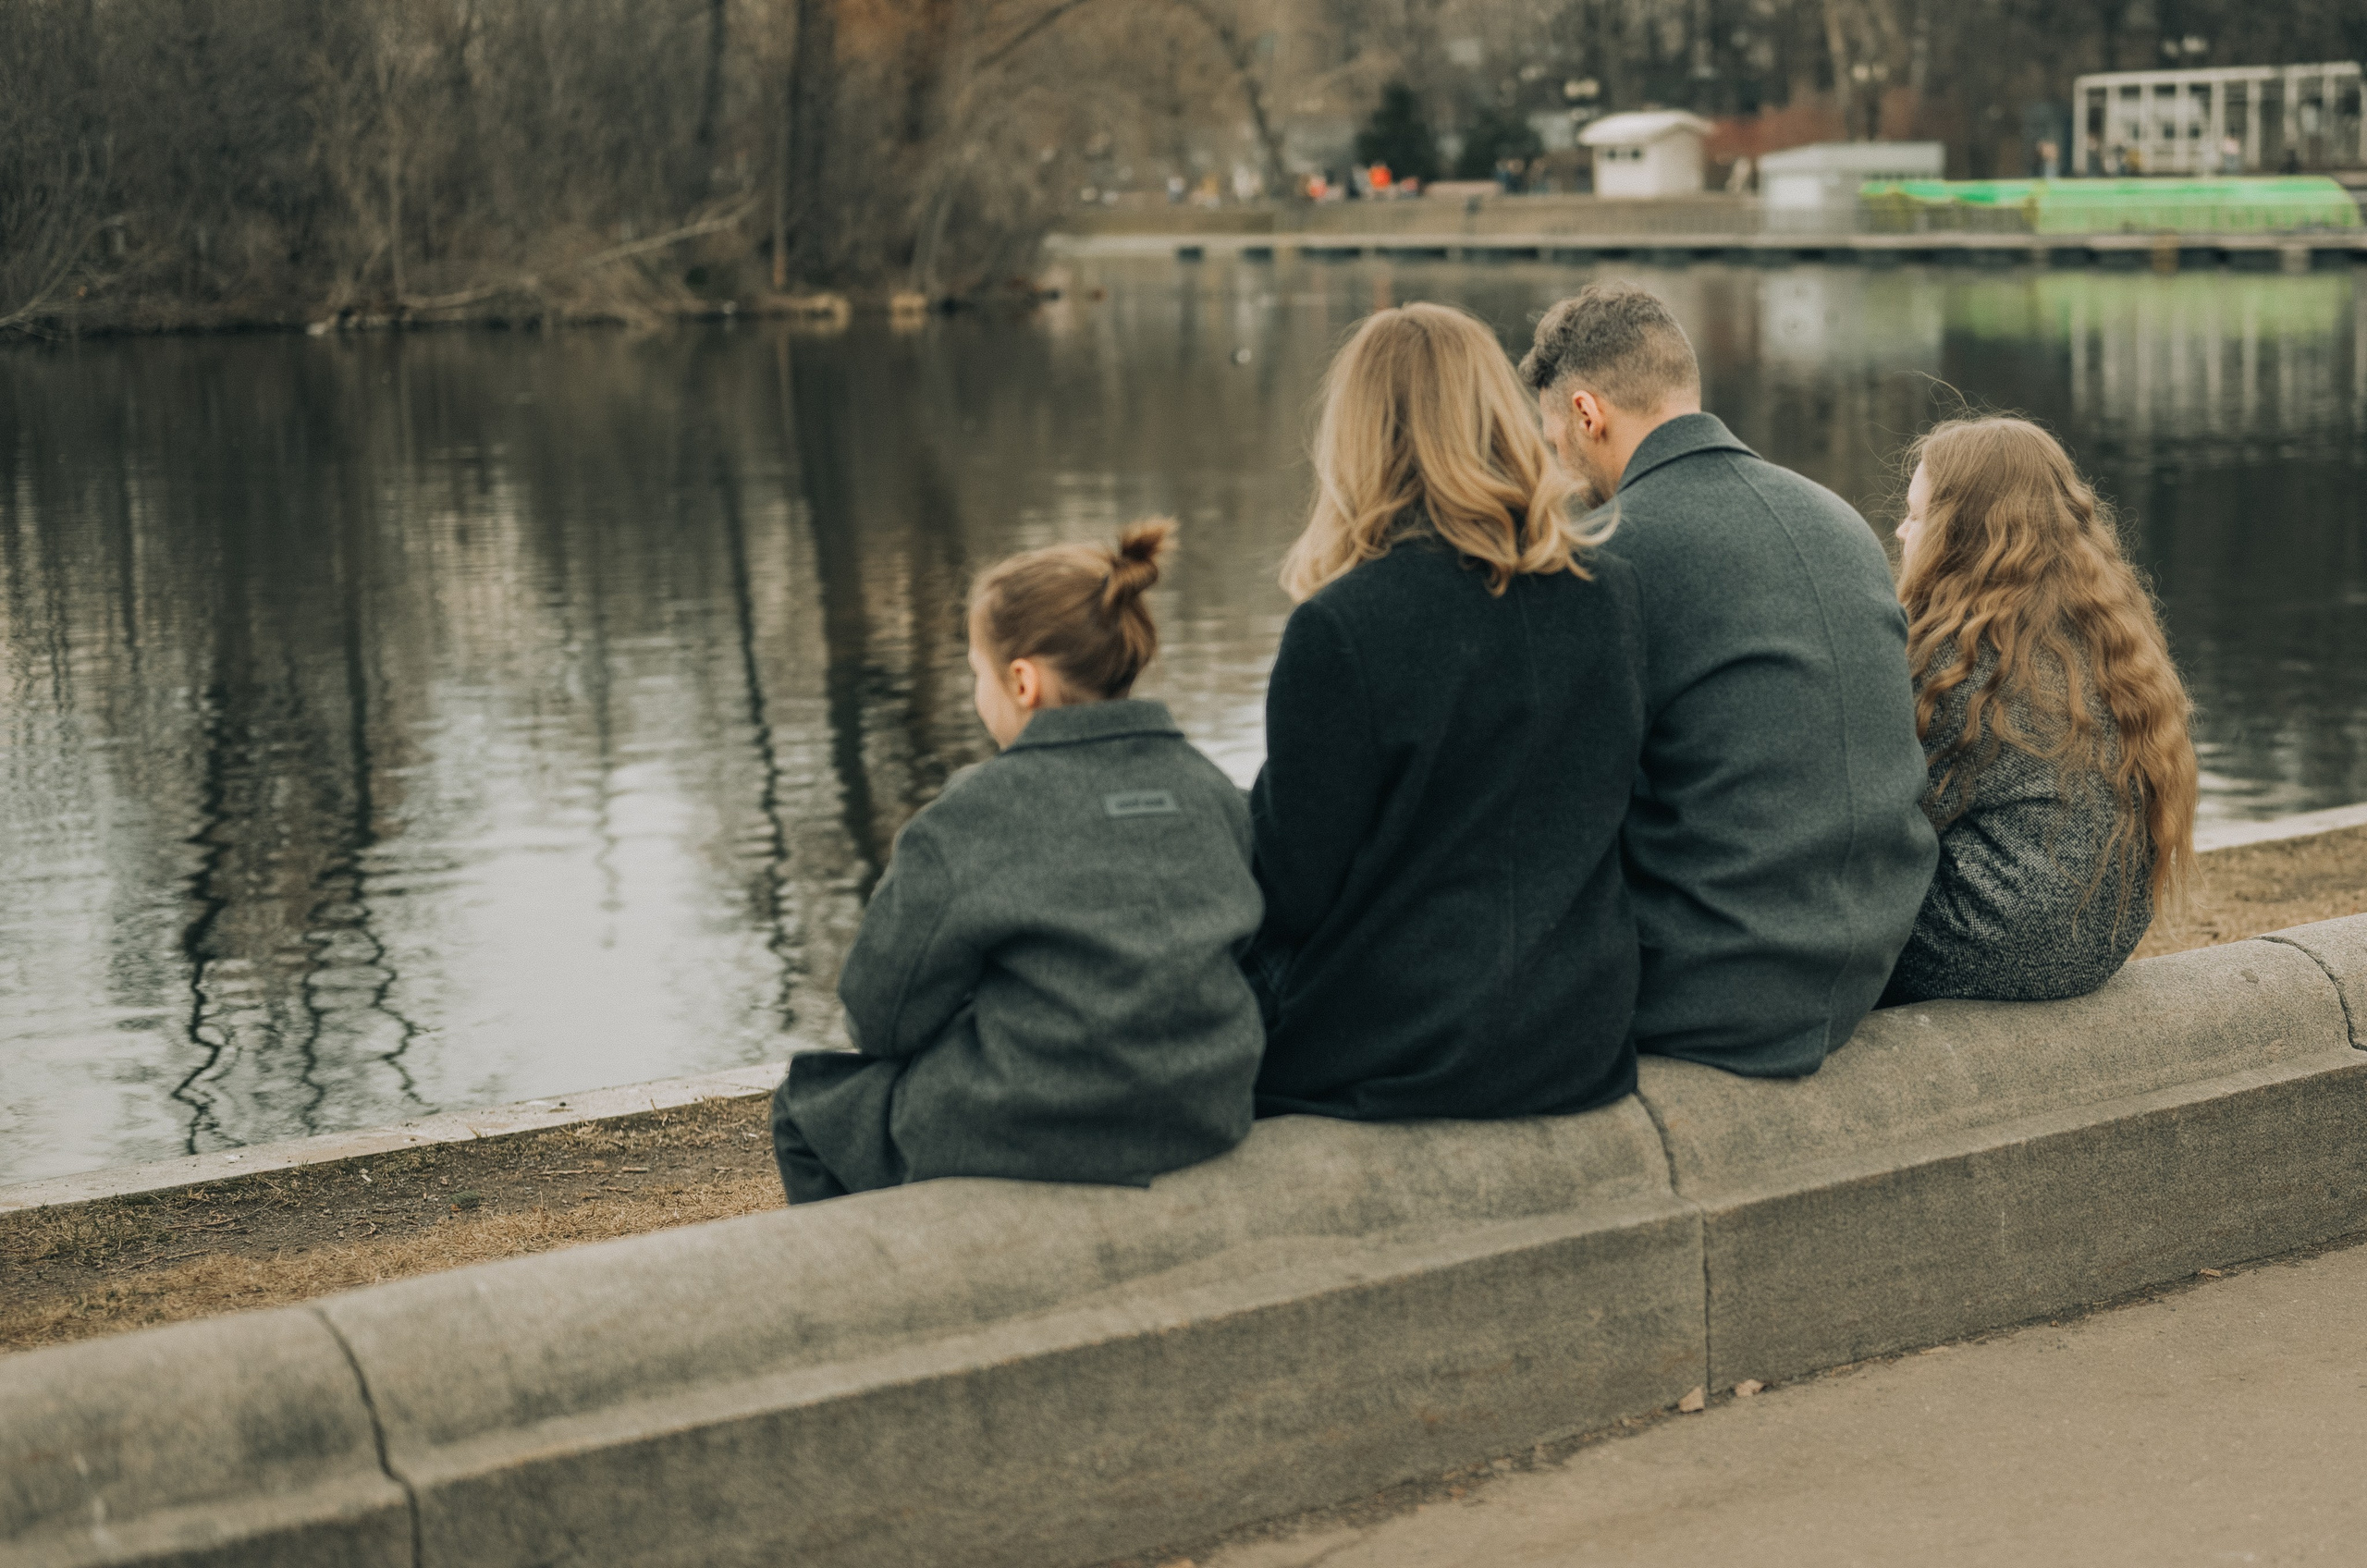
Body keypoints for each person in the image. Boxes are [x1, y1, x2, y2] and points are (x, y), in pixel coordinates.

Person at [769, 522, 1264, 1204]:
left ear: (1022, 681)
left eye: (979, 675)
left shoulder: (975, 813)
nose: (979, 696)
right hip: (1207, 1107)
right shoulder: (1210, 789)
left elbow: (880, 1018)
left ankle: (880, 1300)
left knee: (809, 1109)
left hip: (1043, 1120)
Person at [1518, 282, 1936, 1078]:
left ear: (1585, 413)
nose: (1555, 471)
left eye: (1550, 444)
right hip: (1863, 966)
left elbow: (1557, 808)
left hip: (1709, 986)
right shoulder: (1839, 519)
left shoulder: (1609, 554)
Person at [1247, 302, 1649, 1121]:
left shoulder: (1342, 628)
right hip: (1578, 1038)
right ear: (1501, 415)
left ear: (1356, 438)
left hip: (1403, 1048)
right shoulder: (1609, 594)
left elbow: (1290, 888)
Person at [1882, 418, 2197, 1003]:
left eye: (1917, 516)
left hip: (1989, 946)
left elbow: (1887, 820)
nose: (1901, 532)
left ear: (1960, 535)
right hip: (2094, 948)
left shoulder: (1957, 658)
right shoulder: (2108, 640)